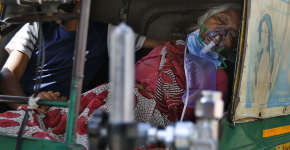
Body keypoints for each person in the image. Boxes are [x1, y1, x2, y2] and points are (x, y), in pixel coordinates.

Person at [0, 3, 241, 149]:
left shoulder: (217, 77)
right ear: (204, 21)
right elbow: (8, 73)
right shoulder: (172, 48)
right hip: (100, 98)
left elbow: (200, 125)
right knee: (36, 123)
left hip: (139, 118)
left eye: (231, 33)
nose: (221, 32)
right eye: (219, 21)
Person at [0, 0, 164, 112]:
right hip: (24, 106)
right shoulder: (36, 27)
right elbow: (8, 74)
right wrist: (28, 105)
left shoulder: (105, 32)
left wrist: (186, 42)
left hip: (66, 112)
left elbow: (155, 44)